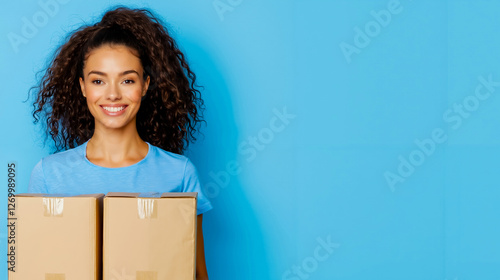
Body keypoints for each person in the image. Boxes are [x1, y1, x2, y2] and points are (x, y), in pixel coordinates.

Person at [28, 6, 212, 279]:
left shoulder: (179, 173)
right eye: (98, 80)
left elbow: (196, 273)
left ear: (146, 85)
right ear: (82, 87)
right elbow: (32, 268)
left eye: (127, 80)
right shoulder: (48, 175)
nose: (113, 94)